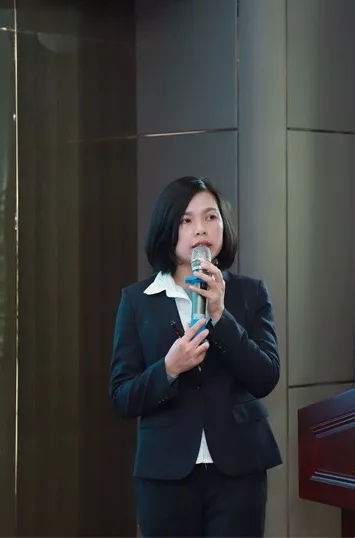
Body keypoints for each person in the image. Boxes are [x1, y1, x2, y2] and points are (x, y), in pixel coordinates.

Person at [109, 176, 283, 537]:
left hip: (239, 469)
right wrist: (168, 369)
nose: (200, 229)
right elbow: (122, 396)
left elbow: (265, 377)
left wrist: (221, 316)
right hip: (165, 474)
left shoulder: (249, 293)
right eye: (186, 220)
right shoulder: (138, 300)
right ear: (167, 229)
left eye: (210, 217)